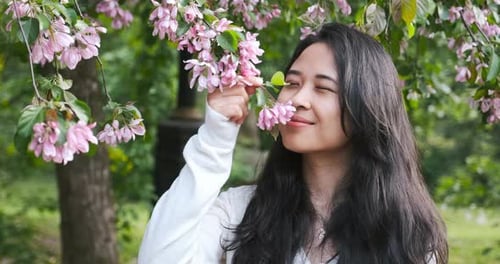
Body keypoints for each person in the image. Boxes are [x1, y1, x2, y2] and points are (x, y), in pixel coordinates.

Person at [138, 23, 448, 264]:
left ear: (366, 107)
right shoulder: (240, 212)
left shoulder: (406, 233)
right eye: (292, 83)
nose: (297, 99)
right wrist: (215, 139)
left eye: (323, 88)